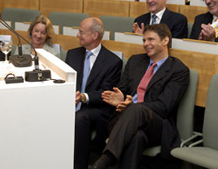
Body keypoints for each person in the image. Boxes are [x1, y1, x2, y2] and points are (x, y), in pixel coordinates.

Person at [92, 24, 190, 169]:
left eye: (151, 40)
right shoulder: (135, 61)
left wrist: (131, 106)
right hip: (124, 119)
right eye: (144, 40)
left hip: (156, 123)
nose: (146, 44)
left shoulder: (178, 70)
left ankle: (106, 158)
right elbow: (123, 89)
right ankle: (107, 160)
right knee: (137, 137)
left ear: (165, 41)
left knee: (136, 109)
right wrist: (120, 98)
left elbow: (164, 106)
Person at [65, 17, 122, 169]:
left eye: (81, 32)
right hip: (70, 103)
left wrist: (83, 97)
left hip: (97, 109)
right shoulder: (72, 54)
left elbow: (106, 92)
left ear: (95, 35)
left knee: (81, 118)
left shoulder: (113, 62)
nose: (78, 35)